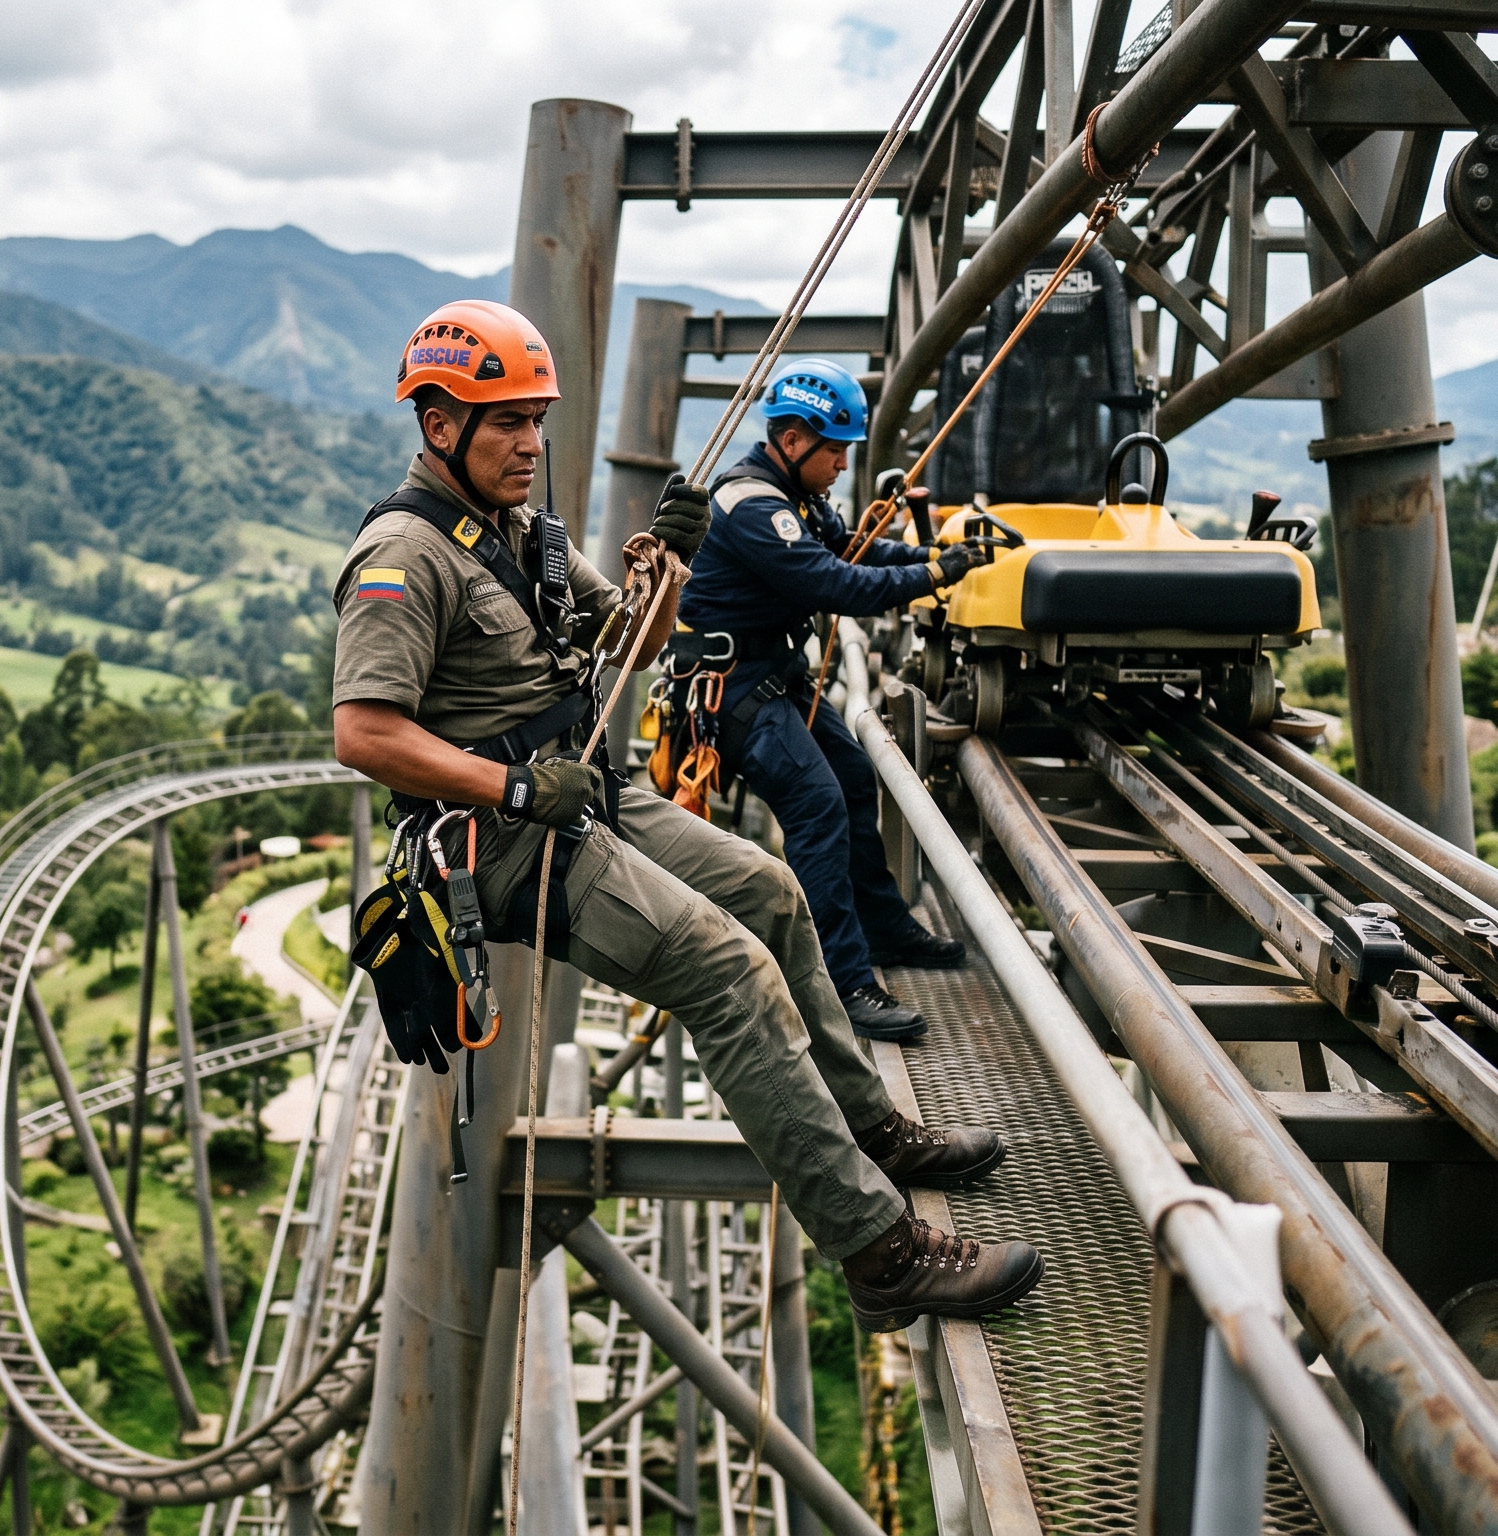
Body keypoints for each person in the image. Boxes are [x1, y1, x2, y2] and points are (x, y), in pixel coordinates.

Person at [332, 300, 1043, 1327]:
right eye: (506, 423)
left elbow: (635, 640)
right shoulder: (404, 557)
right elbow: (365, 735)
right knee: (727, 968)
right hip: (506, 839)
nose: (531, 443)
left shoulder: (521, 535)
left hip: (587, 796)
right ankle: (878, 1252)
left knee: (772, 892)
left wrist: (670, 564)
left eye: (536, 419)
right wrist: (517, 788)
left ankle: (869, 1126)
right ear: (438, 427)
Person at [670, 358, 985, 1040]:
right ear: (793, 441)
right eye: (835, 450)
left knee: (851, 778)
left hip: (772, 677)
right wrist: (935, 573)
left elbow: (856, 549)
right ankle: (844, 984)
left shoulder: (797, 497)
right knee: (816, 805)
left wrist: (941, 556)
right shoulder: (752, 505)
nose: (843, 464)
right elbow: (833, 584)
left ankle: (884, 930)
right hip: (735, 689)